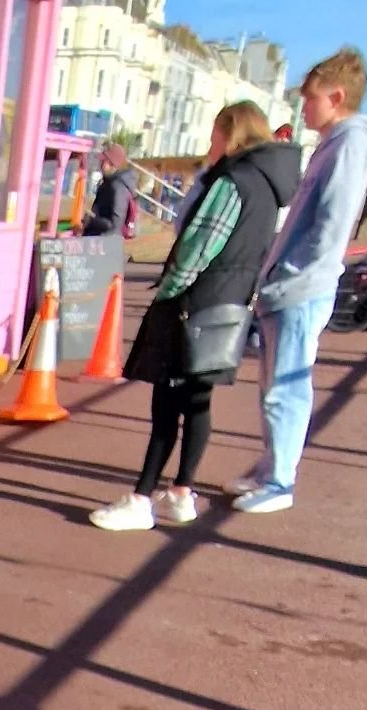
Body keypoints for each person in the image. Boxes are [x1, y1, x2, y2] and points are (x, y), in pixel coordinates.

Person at [91, 104, 300, 532]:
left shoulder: (233, 181)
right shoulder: (268, 186)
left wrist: (168, 290)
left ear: (232, 134)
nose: (210, 144)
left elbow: (199, 245)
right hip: (229, 304)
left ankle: (141, 498)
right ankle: (183, 492)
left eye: (215, 135)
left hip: (194, 302)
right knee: (199, 400)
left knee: (166, 403)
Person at [231, 48, 367, 514]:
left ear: (336, 97)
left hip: (301, 288)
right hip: (293, 285)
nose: (304, 107)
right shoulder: (338, 143)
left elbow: (329, 228)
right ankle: (273, 467)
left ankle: (279, 480)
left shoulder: (347, 145)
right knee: (274, 383)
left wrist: (288, 274)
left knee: (286, 386)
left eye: (311, 98)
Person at [77, 143, 136, 237]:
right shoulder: (107, 183)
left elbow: (115, 225)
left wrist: (91, 220)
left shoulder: (117, 187)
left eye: (103, 161)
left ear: (112, 164)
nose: (100, 165)